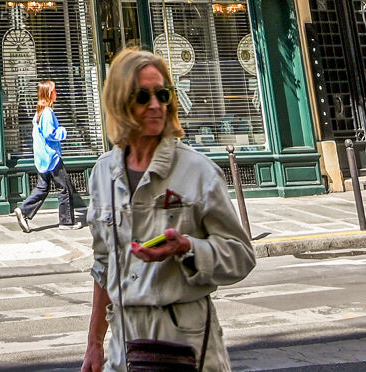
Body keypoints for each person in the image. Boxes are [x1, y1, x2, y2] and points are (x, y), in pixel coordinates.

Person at [81, 49, 254, 372]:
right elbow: (103, 265)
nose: (156, 105)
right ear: (120, 102)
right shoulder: (103, 173)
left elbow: (241, 256)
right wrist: (94, 344)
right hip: (124, 343)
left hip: (183, 342)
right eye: (143, 96)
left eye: (163, 94)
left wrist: (188, 248)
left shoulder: (198, 171)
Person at [16, 80, 78, 229]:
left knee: (43, 187)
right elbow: (50, 133)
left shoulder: (39, 111)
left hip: (42, 158)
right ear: (49, 93)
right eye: (55, 90)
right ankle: (66, 222)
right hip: (52, 157)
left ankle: (23, 210)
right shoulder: (48, 112)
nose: (57, 93)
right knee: (65, 188)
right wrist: (63, 132)